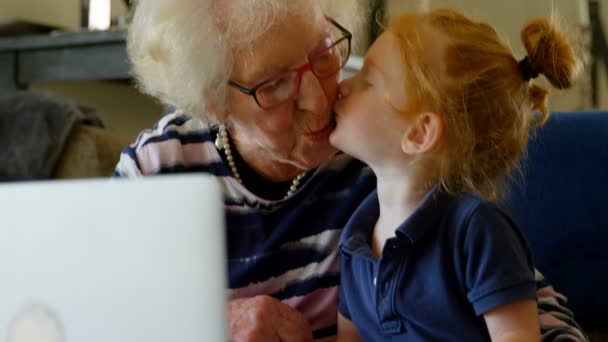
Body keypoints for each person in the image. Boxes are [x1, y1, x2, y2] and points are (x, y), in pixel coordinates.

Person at [115, 1, 587, 341]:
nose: (323, 99)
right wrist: (206, 325)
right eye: (275, 84)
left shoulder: (385, 147)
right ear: (212, 103)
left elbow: (528, 304)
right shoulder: (158, 172)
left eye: (323, 54)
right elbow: (82, 319)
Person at [331, 9, 582, 342]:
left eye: (367, 81)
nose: (343, 86)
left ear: (420, 133)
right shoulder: (355, 241)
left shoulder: (477, 231)